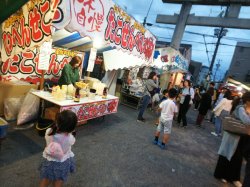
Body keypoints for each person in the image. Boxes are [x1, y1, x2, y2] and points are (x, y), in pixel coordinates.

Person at [214, 92, 250, 187]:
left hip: (243, 137)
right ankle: (221, 174)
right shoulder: (241, 108)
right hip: (233, 135)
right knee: (227, 155)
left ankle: (234, 178)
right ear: (248, 101)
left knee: (237, 158)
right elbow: (246, 121)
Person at [39, 110, 77, 187]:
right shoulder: (70, 138)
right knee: (59, 180)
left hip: (49, 160)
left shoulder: (48, 131)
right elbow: (69, 144)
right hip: (62, 162)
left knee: (46, 178)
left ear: (57, 122)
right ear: (72, 128)